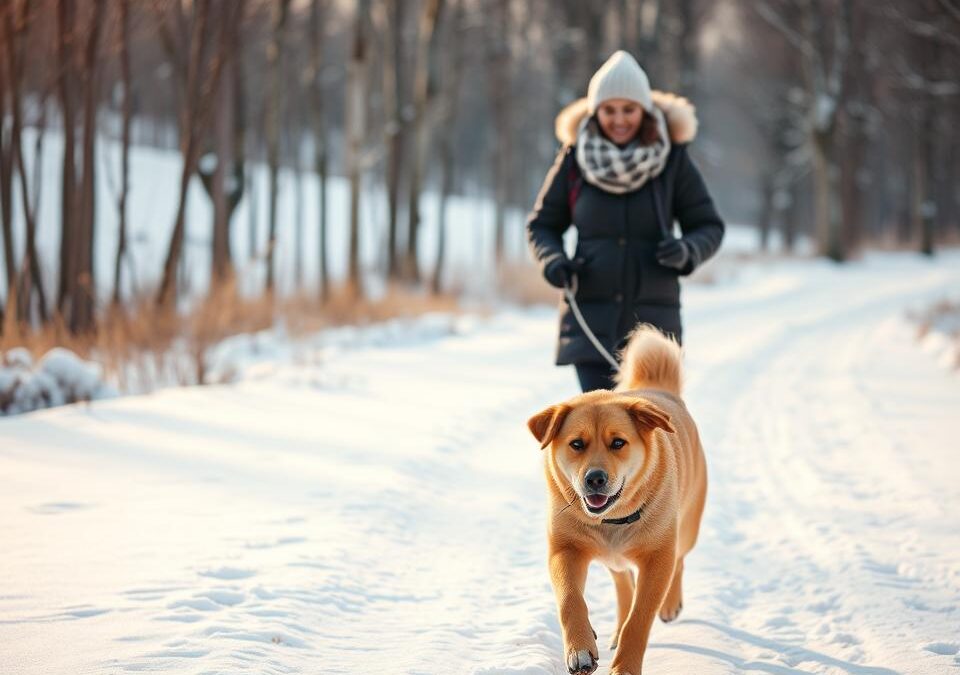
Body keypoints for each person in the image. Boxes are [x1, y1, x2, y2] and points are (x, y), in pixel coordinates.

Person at [526, 50, 724, 392]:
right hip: (590, 319)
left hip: (653, 329)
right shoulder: (573, 160)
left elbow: (709, 226)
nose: (619, 120)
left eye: (628, 110)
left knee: (650, 436)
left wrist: (686, 251)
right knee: (599, 437)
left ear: (644, 111)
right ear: (595, 111)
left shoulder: (673, 161)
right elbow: (541, 226)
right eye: (609, 110)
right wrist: (553, 260)